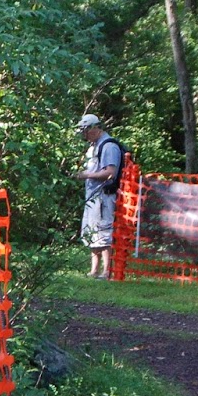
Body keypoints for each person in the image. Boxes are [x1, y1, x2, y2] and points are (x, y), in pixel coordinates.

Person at [74, 113, 124, 279]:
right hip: (92, 197)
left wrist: (86, 175)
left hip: (104, 196)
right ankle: (94, 270)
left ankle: (106, 271)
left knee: (104, 231)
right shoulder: (94, 146)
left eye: (86, 130)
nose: (84, 134)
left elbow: (110, 173)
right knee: (92, 231)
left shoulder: (109, 146)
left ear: (95, 128)